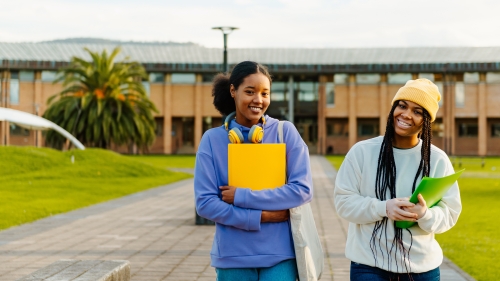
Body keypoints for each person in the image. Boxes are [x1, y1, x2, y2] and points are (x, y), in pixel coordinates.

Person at [194, 61, 313, 281]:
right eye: (250, 92)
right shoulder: (212, 140)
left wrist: (241, 195)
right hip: (232, 257)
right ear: (233, 91)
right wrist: (260, 217)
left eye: (264, 93)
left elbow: (302, 190)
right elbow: (205, 203)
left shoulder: (284, 132)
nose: (258, 100)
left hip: (280, 255)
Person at [334, 78, 462, 281]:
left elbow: (451, 212)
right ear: (393, 108)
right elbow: (343, 202)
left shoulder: (437, 159)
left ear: (427, 121)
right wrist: (384, 208)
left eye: (417, 111)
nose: (406, 115)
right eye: (402, 106)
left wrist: (425, 215)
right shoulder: (362, 152)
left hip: (421, 269)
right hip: (369, 265)